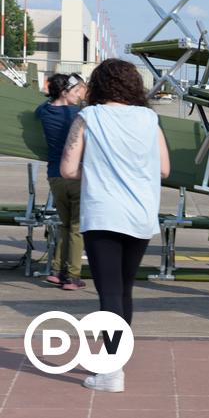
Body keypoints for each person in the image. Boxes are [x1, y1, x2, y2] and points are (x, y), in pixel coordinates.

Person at [60, 59, 170, 393]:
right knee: (124, 289)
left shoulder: (88, 117)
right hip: (140, 215)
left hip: (104, 213)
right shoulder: (150, 118)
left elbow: (67, 169)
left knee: (108, 292)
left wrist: (97, 173)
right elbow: (164, 169)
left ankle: (111, 371)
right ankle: (115, 362)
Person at [36, 73, 87, 289]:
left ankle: (57, 271)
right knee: (76, 227)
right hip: (76, 175)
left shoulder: (44, 112)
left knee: (63, 224)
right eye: (75, 92)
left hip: (54, 176)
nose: (78, 96)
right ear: (65, 92)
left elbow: (41, 106)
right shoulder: (79, 115)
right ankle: (73, 276)